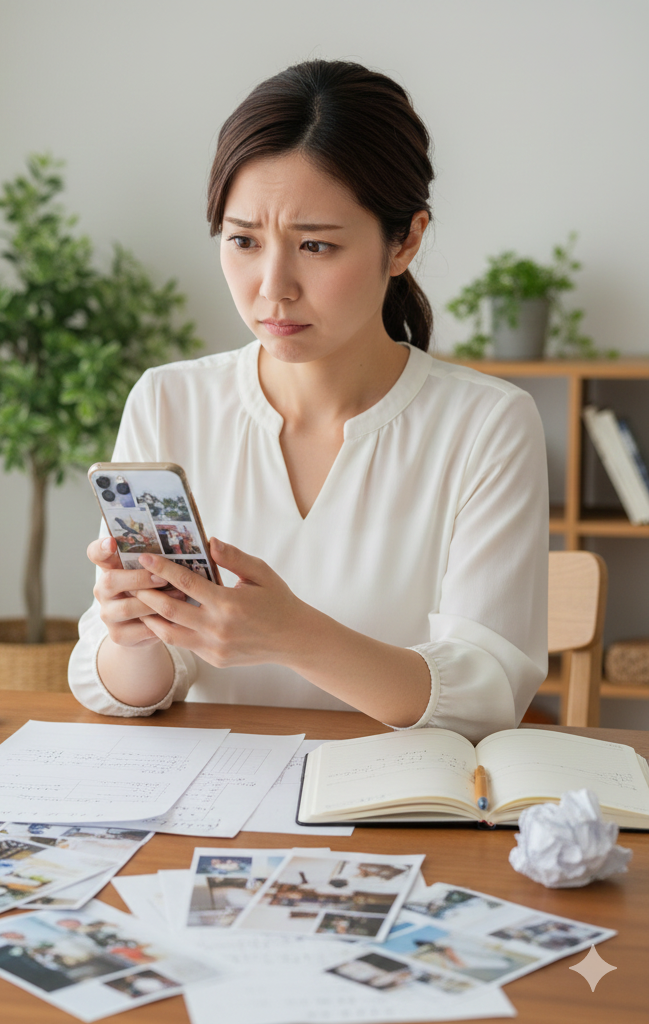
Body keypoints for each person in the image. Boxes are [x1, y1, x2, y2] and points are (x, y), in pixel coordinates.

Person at [69, 60, 548, 743]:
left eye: (316, 245)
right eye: (242, 241)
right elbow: (130, 692)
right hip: (210, 811)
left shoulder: (486, 424)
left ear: (404, 240)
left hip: (399, 813)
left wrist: (295, 636)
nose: (273, 287)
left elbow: (486, 696)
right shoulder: (169, 399)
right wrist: (133, 635)